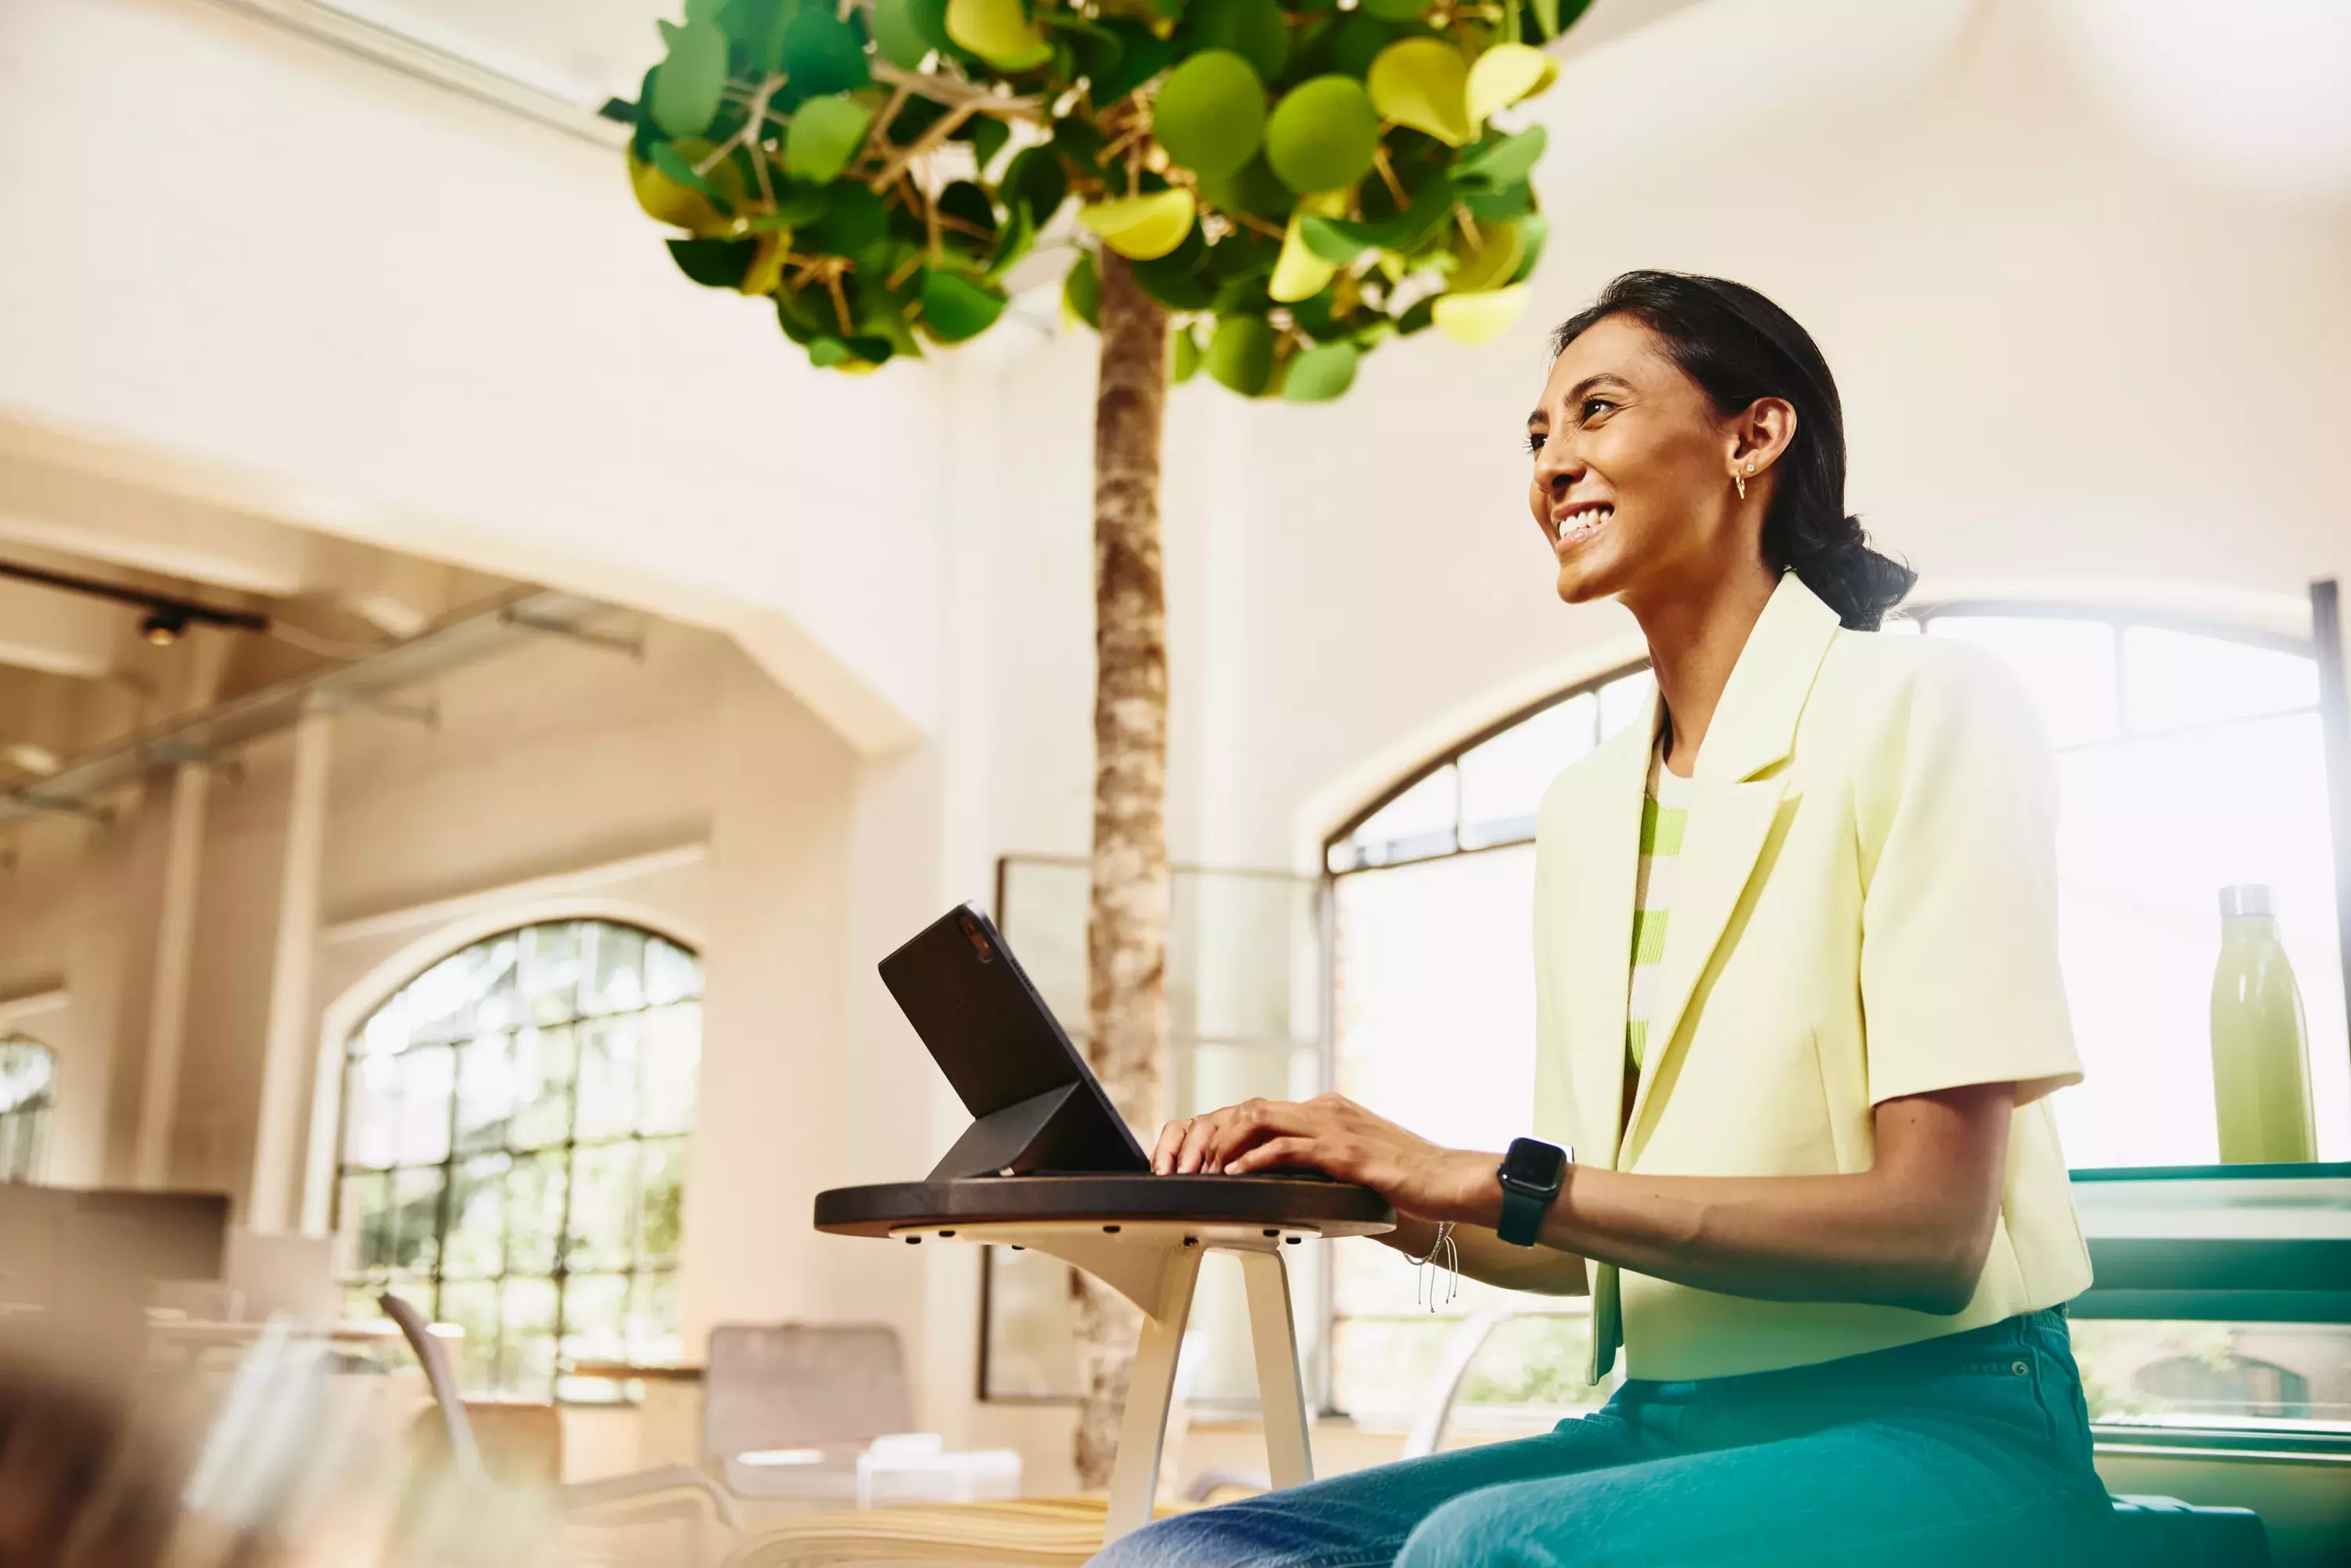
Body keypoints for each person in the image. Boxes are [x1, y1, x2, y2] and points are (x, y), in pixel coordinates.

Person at [1092, 271, 2107, 1567]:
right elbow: (1579, 1252)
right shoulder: (1583, 811)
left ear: (1754, 435)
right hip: (1664, 1423)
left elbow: (1932, 1235)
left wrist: (1489, 1178)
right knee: (1178, 1559)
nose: (1553, 463)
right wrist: (1367, 1181)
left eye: (1597, 411)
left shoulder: (1928, 709)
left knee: (1485, 1548)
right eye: (1536, 435)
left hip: (1949, 1423)